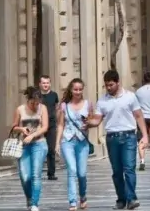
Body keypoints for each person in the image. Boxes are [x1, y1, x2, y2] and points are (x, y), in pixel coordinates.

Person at [87, 70, 149, 210]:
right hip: (112, 137)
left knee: (129, 169)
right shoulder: (102, 100)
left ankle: (132, 198)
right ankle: (121, 199)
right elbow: (97, 120)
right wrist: (88, 122)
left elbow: (139, 116)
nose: (108, 88)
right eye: (106, 85)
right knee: (117, 171)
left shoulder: (130, 97)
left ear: (117, 82)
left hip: (128, 136)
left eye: (111, 85)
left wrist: (144, 135)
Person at [55, 78, 92, 211]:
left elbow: (92, 122)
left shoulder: (88, 104)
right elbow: (60, 125)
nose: (78, 92)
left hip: (82, 141)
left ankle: (82, 196)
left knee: (81, 173)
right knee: (72, 170)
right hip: (67, 140)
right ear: (71, 90)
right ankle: (72, 201)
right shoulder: (64, 106)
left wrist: (88, 123)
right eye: (75, 89)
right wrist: (57, 143)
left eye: (80, 89)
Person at [13, 86, 49, 211]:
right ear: (28, 99)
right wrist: (22, 129)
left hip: (39, 143)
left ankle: (34, 203)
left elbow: (45, 127)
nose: (35, 105)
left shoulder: (42, 108)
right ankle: (29, 197)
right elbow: (14, 127)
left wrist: (32, 135)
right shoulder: (20, 109)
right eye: (33, 103)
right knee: (25, 176)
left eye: (37, 103)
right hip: (24, 146)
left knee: (35, 175)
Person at [135, 71, 150, 170]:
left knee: (141, 138)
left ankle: (142, 161)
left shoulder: (138, 91)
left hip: (142, 118)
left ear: (143, 80)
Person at [37, 76, 59, 181]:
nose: (45, 85)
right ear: (40, 84)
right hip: (39, 125)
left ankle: (51, 173)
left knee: (51, 149)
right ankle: (37, 172)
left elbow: (57, 108)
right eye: (43, 83)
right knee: (39, 149)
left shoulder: (54, 95)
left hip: (51, 125)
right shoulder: (37, 96)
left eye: (47, 83)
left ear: (50, 84)